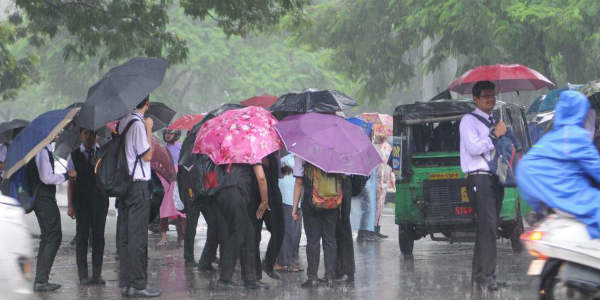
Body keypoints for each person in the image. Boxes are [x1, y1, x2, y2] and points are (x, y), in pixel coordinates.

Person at [517, 91, 600, 238]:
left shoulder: (553, 134)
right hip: (556, 185)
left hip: (529, 182)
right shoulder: (575, 134)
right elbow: (596, 169)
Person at [459, 80, 507, 292]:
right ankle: (487, 276)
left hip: (495, 178)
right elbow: (473, 148)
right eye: (486, 95)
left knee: (488, 228)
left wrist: (503, 134)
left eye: (493, 95)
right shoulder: (468, 121)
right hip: (479, 178)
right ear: (475, 99)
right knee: (487, 227)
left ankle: (481, 274)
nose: (491, 99)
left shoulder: (495, 120)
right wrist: (495, 135)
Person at [117, 96, 161, 298]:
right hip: (138, 188)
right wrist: (149, 128)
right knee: (137, 238)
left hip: (125, 186)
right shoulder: (137, 124)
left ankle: (126, 282)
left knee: (125, 237)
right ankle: (138, 284)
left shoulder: (123, 122)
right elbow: (147, 155)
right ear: (147, 103)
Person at [214, 163, 269, 289]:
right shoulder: (250, 149)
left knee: (248, 233)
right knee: (239, 234)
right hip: (236, 194)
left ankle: (250, 279)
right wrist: (264, 202)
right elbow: (261, 177)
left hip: (221, 194)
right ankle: (225, 279)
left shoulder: (225, 148)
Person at [32, 142, 77, 292]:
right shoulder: (42, 151)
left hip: (43, 197)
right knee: (53, 236)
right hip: (43, 198)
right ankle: (41, 280)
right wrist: (66, 175)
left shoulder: (44, 150)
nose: (57, 135)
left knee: (48, 236)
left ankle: (41, 279)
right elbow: (46, 177)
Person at [66, 129, 108, 285]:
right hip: (81, 202)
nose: (89, 137)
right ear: (80, 135)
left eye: (92, 133)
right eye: (85, 133)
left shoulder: (103, 154)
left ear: (97, 135)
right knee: (82, 238)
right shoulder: (74, 155)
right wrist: (70, 205)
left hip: (100, 201)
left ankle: (97, 274)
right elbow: (70, 183)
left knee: (99, 238)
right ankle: (83, 275)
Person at [292, 157, 338, 288]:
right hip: (332, 202)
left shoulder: (303, 152)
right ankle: (330, 277)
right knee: (330, 239)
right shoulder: (335, 151)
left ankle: (312, 278)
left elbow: (299, 181)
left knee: (313, 240)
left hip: (311, 201)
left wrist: (295, 208)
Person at [251, 153, 284, 281]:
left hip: (273, 197)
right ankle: (256, 272)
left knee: (279, 231)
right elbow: (260, 178)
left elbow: (276, 175)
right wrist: (263, 201)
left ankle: (268, 264)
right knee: (254, 236)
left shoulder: (272, 155)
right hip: (255, 198)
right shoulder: (251, 154)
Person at [275, 153, 303, 272]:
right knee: (288, 230)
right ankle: (285, 262)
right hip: (287, 195)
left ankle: (290, 260)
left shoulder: (298, 151)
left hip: (296, 197)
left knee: (294, 230)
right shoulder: (282, 153)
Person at [157, 129, 185, 247]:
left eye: (170, 133)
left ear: (177, 135)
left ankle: (182, 237)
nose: (168, 136)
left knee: (181, 210)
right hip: (167, 181)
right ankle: (163, 238)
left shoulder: (181, 147)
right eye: (166, 134)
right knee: (165, 209)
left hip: (180, 181)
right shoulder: (162, 149)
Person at [373, 135, 395, 239]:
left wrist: (390, 178)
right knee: (374, 206)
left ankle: (377, 228)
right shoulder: (373, 147)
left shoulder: (388, 148)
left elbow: (390, 164)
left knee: (380, 206)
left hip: (383, 182)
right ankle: (372, 228)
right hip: (375, 181)